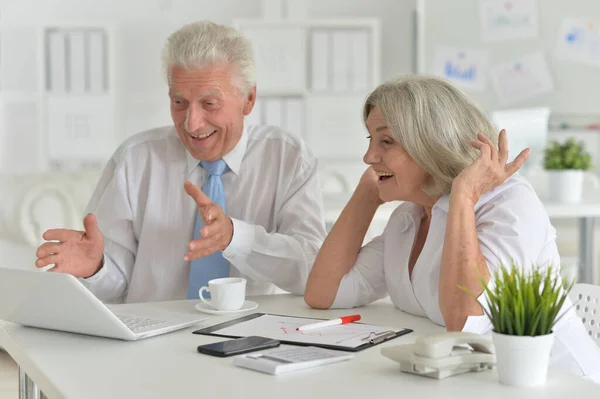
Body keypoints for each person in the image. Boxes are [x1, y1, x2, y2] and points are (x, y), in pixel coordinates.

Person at [304, 75, 600, 381]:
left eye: (387, 141)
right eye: (371, 140)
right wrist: (366, 195)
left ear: (432, 145)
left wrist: (463, 195)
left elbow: (464, 319)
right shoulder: (410, 218)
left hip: (563, 384)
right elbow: (323, 293)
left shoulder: (511, 204)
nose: (368, 157)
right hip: (478, 383)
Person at [34, 21, 326, 303]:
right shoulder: (136, 159)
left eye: (209, 104)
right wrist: (96, 267)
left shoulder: (288, 159)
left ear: (248, 99)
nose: (192, 123)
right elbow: (115, 283)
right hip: (150, 342)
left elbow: (313, 269)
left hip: (249, 340)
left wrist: (237, 237)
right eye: (179, 102)